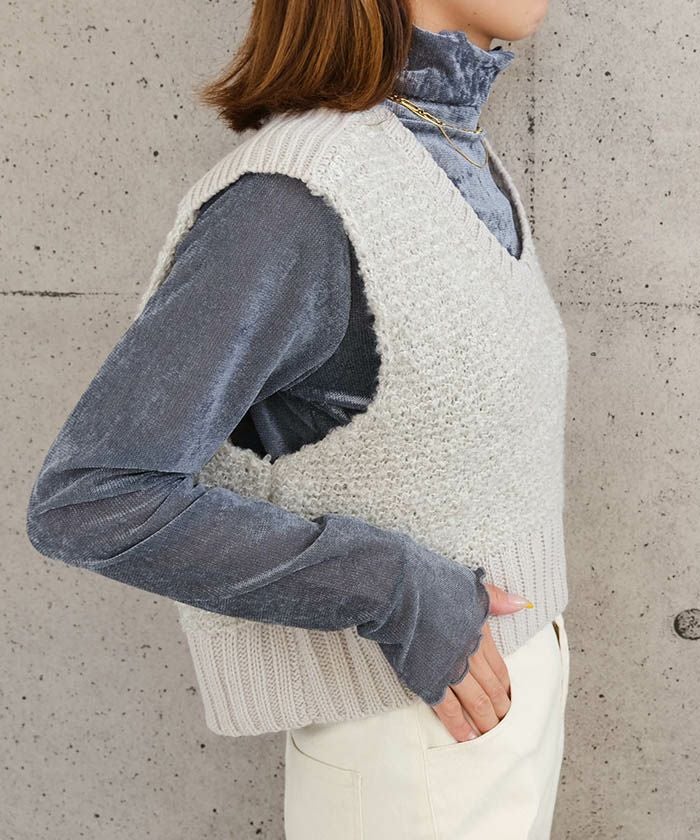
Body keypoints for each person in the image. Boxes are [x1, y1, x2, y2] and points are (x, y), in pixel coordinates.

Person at [25, 2, 571, 837]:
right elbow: (92, 496)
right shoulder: (293, 199)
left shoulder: (459, 151)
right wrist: (392, 587)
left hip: (507, 702)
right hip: (408, 743)